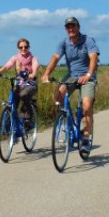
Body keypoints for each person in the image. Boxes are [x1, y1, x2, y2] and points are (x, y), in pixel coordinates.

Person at [42, 16, 99, 151]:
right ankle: (68, 119)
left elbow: (93, 58)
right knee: (57, 97)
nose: (71, 29)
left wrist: (88, 75)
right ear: (66, 29)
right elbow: (55, 58)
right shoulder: (64, 43)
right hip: (71, 76)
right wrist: (46, 73)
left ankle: (85, 138)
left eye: (73, 26)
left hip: (87, 76)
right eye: (68, 27)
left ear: (78, 27)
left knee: (86, 106)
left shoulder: (88, 41)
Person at [0, 38, 39, 126]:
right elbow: (7, 66)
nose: (23, 49)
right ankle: (9, 123)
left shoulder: (33, 58)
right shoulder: (16, 58)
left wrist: (33, 74)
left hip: (30, 84)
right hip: (19, 83)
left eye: (26, 47)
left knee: (23, 94)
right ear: (18, 48)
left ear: (29, 47)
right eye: (21, 47)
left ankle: (28, 115)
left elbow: (36, 67)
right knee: (13, 98)